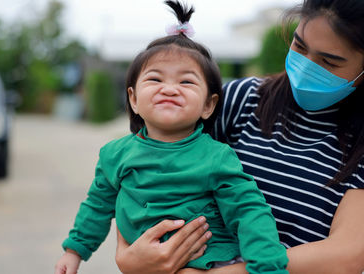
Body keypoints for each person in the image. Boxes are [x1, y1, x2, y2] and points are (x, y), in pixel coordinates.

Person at [114, 0, 364, 273]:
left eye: (329, 61)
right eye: (299, 46)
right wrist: (127, 255)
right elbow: (145, 164)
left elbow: (346, 254)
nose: (306, 66)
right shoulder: (242, 99)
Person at [54, 1, 289, 273]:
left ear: (208, 105)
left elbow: (248, 210)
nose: (169, 89)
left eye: (186, 82)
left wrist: (269, 267)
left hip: (211, 263)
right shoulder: (115, 155)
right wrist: (74, 252)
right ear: (133, 99)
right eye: (155, 79)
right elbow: (97, 205)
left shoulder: (216, 156)